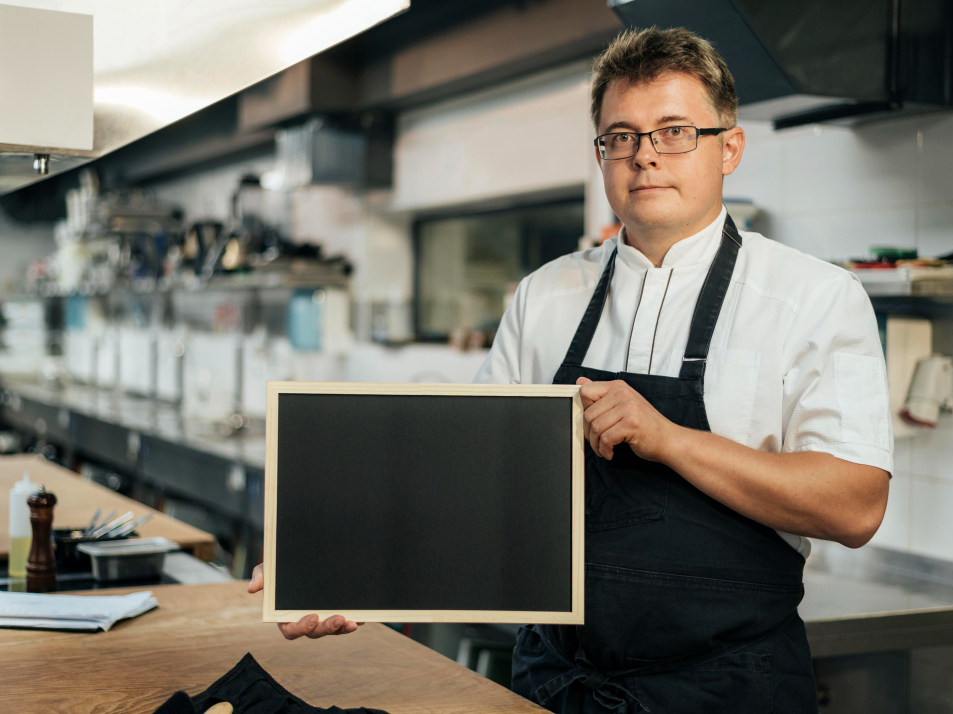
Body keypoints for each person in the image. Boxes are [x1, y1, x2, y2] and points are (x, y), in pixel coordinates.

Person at [250, 26, 892, 713]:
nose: (645, 157)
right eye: (622, 136)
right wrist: (351, 573)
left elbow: (855, 504)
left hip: (730, 690)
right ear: (601, 154)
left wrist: (668, 438)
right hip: (558, 685)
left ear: (728, 147)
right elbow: (469, 484)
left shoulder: (813, 297)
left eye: (674, 131)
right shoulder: (545, 295)